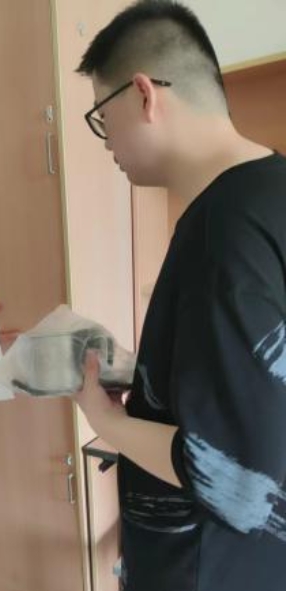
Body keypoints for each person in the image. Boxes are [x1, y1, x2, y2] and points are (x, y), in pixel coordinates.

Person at [73, 1, 286, 590]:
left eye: (102, 116)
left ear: (143, 94)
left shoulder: (221, 234)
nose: (106, 142)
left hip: (207, 567)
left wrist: (103, 419)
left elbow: (239, 482)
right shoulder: (271, 192)